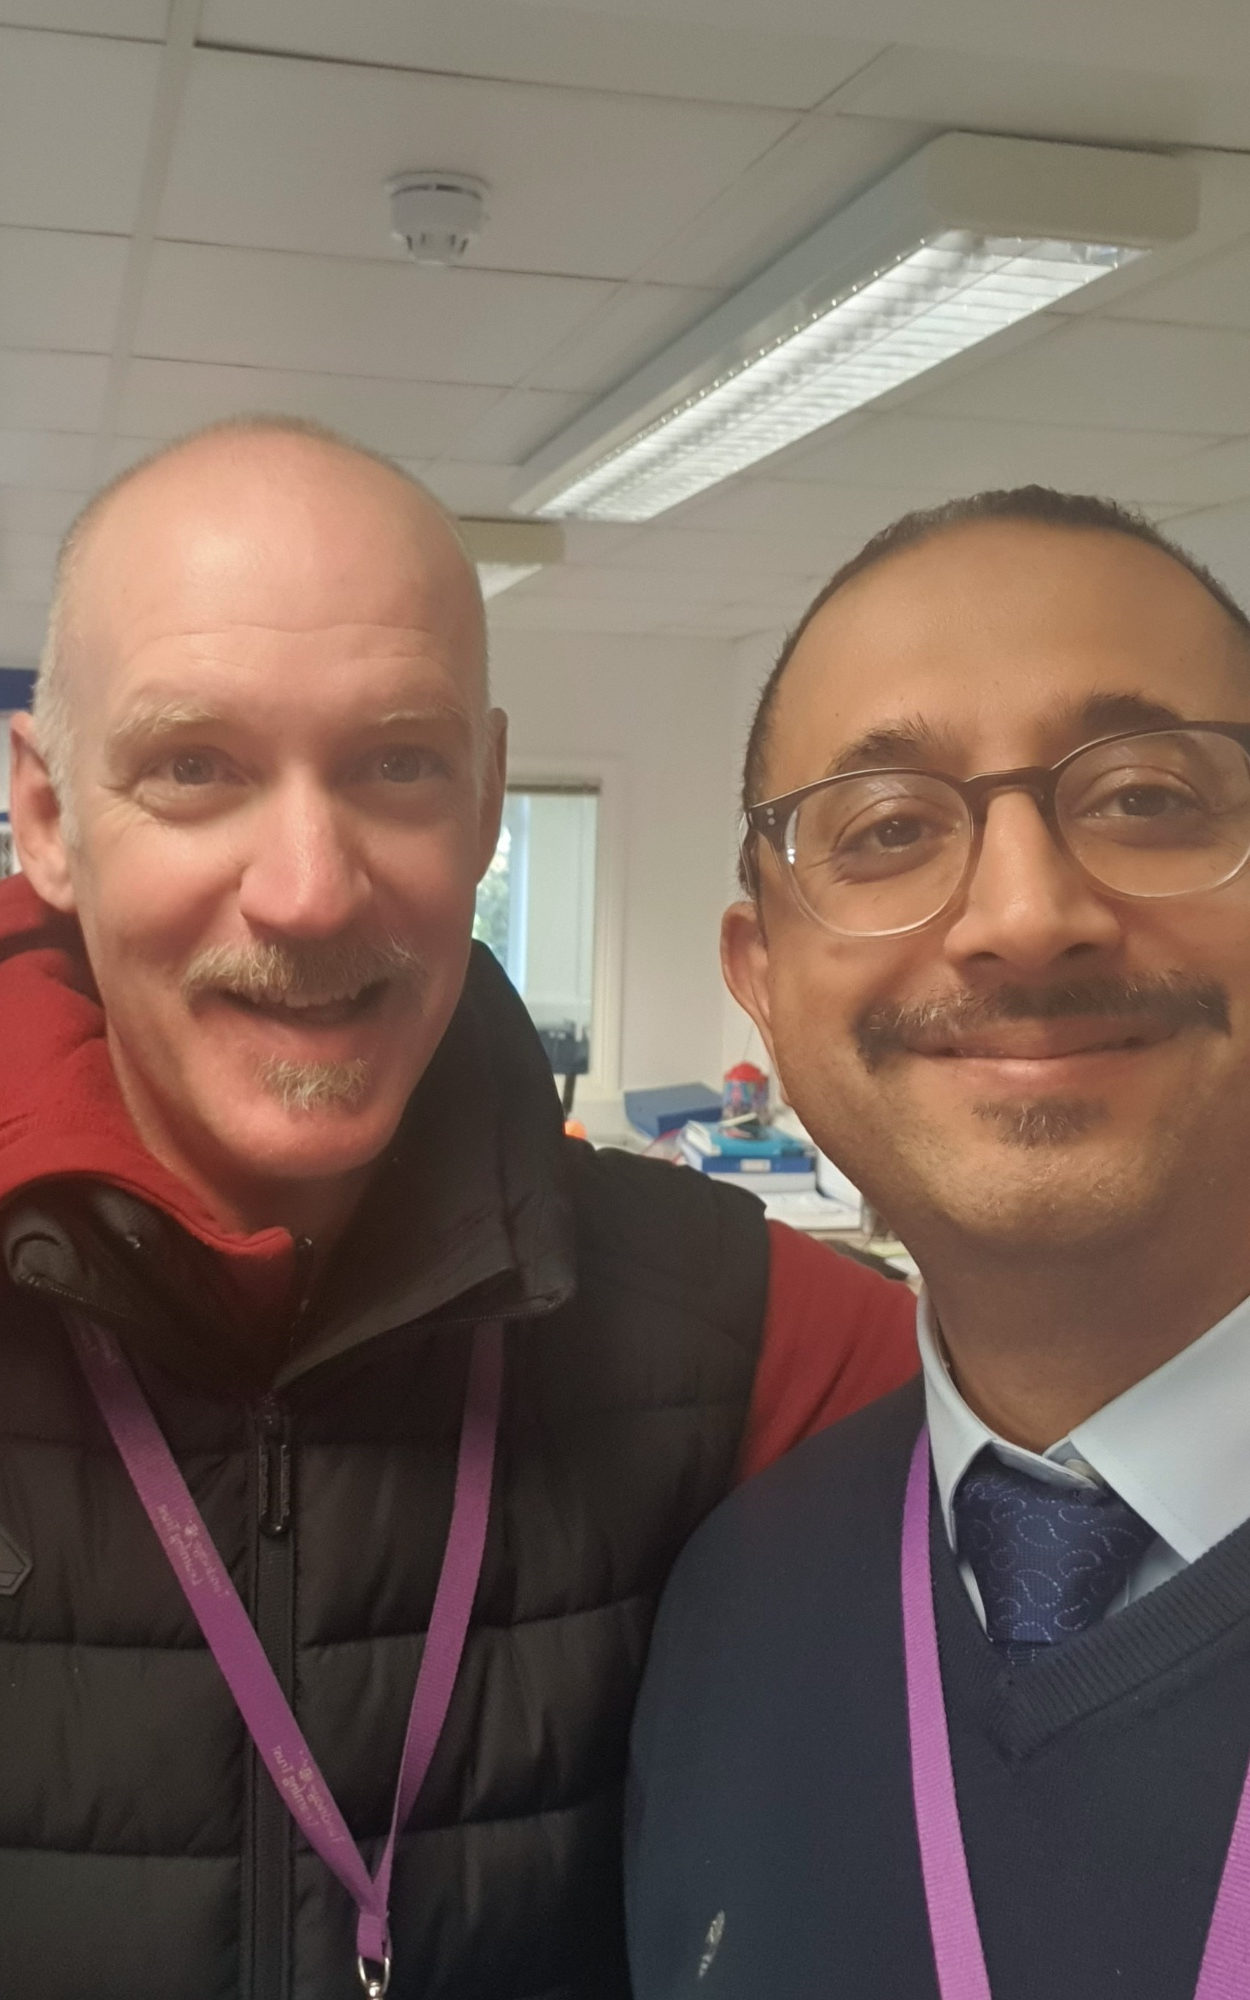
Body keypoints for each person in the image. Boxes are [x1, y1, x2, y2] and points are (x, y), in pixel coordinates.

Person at [0, 417, 916, 2000]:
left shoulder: (760, 1338)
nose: (310, 888)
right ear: (51, 819)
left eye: (396, 765)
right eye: (194, 768)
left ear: (484, 798)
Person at [625, 488, 1250, 2000]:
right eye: (891, 829)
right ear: (759, 979)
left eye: (1149, 798)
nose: (1027, 916)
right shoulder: (734, 1611)